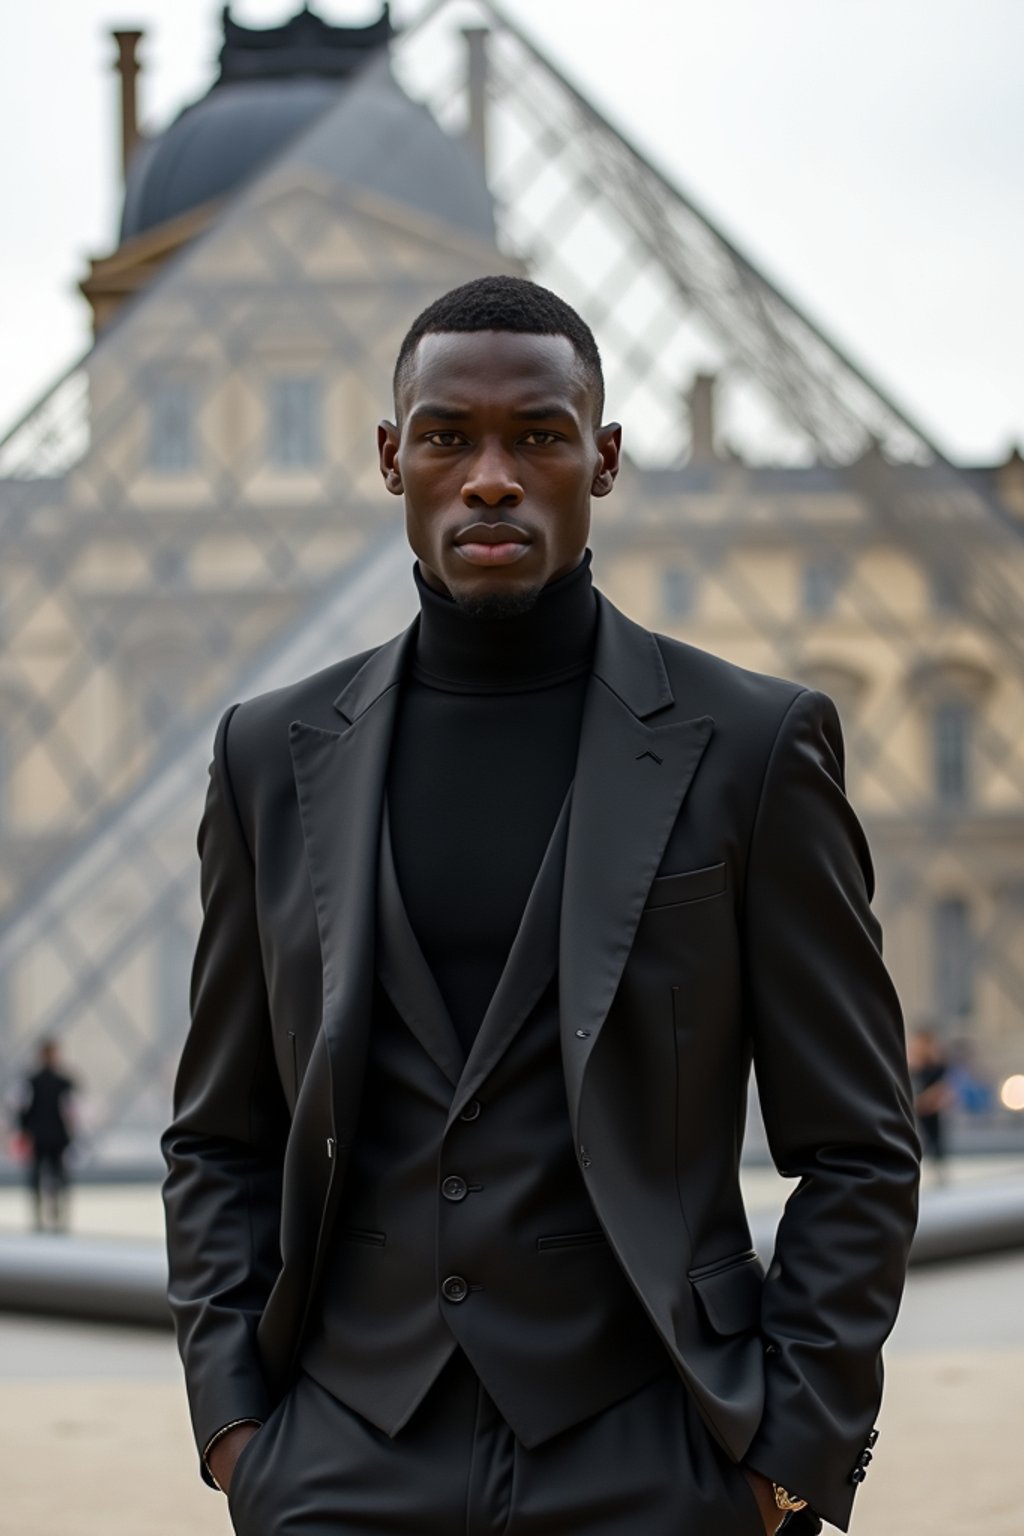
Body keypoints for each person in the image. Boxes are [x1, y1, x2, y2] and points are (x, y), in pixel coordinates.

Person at [162, 276, 920, 1536]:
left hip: (654, 1455)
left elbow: (857, 1142)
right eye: (451, 437)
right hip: (339, 1460)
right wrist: (238, 1432)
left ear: (604, 459)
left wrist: (784, 1463)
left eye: (540, 436)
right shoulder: (265, 756)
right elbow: (218, 1135)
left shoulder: (752, 746)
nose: (493, 476)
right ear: (391, 458)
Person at [18, 1038, 76, 1232]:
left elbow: (23, 1111)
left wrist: (25, 1130)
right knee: (58, 1176)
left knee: (38, 1177)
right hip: (57, 1137)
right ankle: (56, 1216)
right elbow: (70, 1111)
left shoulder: (32, 1082)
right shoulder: (64, 1082)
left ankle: (40, 1218)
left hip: (39, 1136)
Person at [908, 1027, 954, 1182]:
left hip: (931, 1110)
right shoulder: (914, 1067)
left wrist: (926, 1101)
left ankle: (938, 1171)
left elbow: (942, 1090)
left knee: (935, 1140)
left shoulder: (938, 1066)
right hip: (917, 1111)